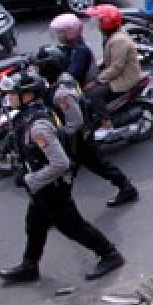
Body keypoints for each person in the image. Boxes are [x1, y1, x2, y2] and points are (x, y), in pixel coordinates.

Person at [0, 74, 124, 284]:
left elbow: (60, 163)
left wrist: (31, 179)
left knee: (73, 227)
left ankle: (109, 254)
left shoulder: (38, 127)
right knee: (34, 224)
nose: (8, 99)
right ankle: (30, 266)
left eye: (11, 95)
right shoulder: (30, 116)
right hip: (41, 187)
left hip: (51, 187)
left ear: (27, 95)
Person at [33, 47, 139, 208]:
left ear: (48, 68)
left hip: (77, 139)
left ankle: (126, 188)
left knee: (75, 171)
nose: (36, 70)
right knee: (87, 168)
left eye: (38, 67)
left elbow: (75, 122)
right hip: (76, 137)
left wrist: (55, 133)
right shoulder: (62, 79)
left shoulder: (63, 94)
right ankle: (125, 187)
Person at [83, 5, 143, 134]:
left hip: (124, 77)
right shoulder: (111, 35)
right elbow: (108, 61)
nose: (97, 24)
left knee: (93, 94)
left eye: (99, 21)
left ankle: (106, 121)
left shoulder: (119, 40)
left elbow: (116, 67)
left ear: (107, 23)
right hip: (117, 72)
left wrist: (97, 80)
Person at [49, 13, 97, 84]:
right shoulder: (73, 45)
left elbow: (71, 76)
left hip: (83, 88)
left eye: (59, 32)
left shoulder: (80, 50)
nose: (58, 35)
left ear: (70, 33)